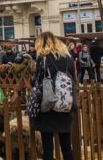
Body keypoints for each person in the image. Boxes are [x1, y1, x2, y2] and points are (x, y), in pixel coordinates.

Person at [31, 32, 75, 160]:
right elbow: (74, 79)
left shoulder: (43, 58)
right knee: (66, 145)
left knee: (48, 147)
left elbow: (37, 81)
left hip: (49, 104)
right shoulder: (68, 57)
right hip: (65, 104)